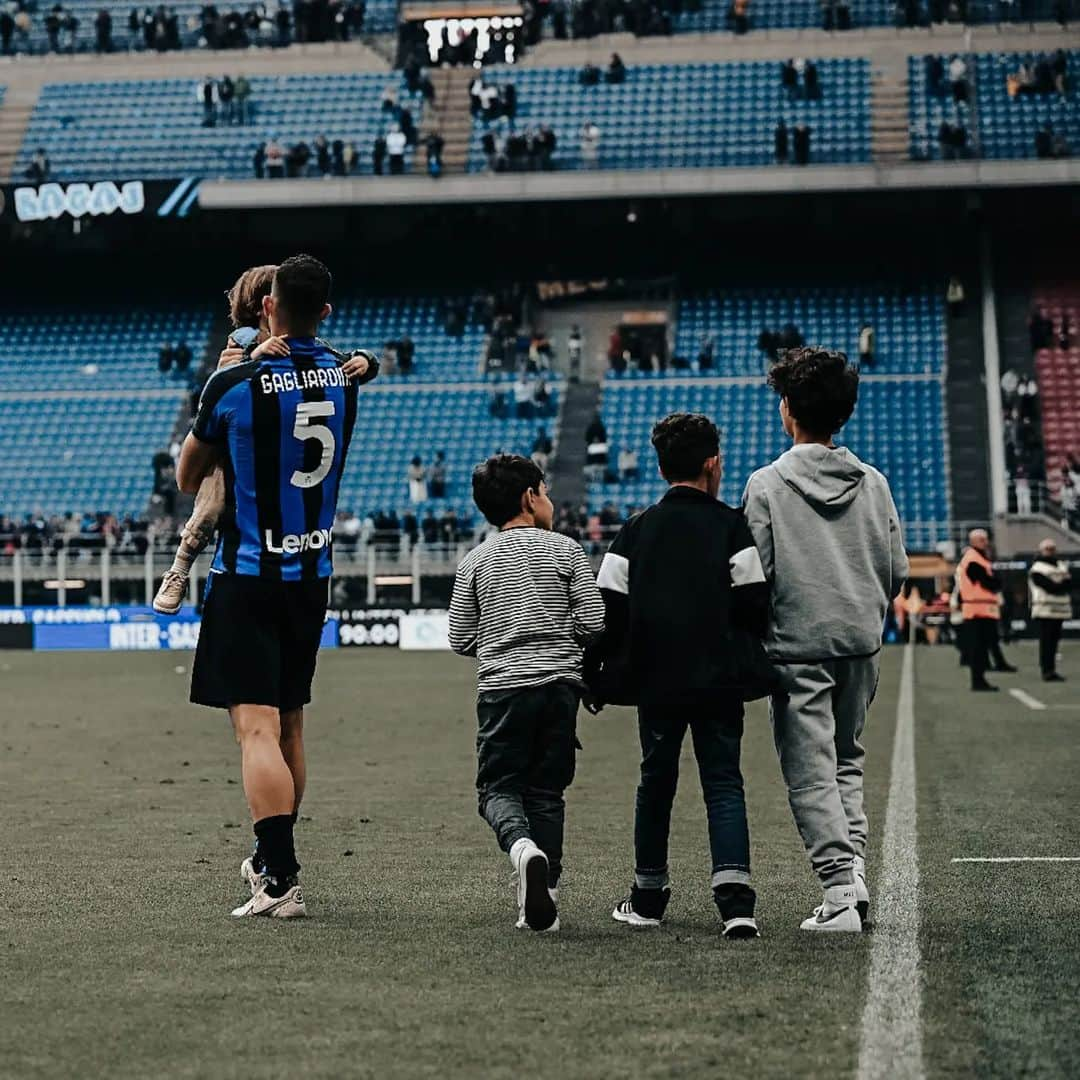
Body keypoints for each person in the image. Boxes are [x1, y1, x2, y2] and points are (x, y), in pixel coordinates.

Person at [177, 255, 363, 919]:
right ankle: (269, 861)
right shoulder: (345, 380)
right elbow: (349, 360)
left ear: (266, 308)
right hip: (311, 578)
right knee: (290, 728)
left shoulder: (235, 383)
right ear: (327, 312)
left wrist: (235, 367)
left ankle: (280, 879)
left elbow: (187, 474)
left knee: (255, 731)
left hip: (249, 575)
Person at [585, 413, 773, 938]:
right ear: (712, 463)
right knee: (724, 783)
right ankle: (736, 905)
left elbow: (607, 611)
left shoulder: (635, 530)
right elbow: (755, 602)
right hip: (718, 679)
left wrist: (599, 674)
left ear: (662, 466)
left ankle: (647, 897)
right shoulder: (731, 525)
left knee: (656, 781)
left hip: (657, 681)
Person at [742, 347, 909, 932]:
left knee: (811, 772)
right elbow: (896, 570)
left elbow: (755, 575)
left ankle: (839, 890)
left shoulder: (766, 486)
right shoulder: (875, 483)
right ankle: (853, 873)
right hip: (860, 642)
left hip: (796, 646)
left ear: (788, 408)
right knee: (847, 762)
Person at [154, 264, 377, 614]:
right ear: (264, 306)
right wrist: (251, 357)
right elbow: (234, 376)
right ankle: (180, 566)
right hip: (235, 448)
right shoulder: (243, 341)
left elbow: (339, 360)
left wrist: (367, 360)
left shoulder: (311, 351)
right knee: (213, 492)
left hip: (274, 463)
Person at [448, 455, 605, 933]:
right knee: (547, 791)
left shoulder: (475, 560)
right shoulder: (568, 551)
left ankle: (521, 849)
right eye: (546, 491)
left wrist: (496, 644)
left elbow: (458, 636)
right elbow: (596, 621)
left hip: (503, 691)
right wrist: (564, 638)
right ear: (529, 498)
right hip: (560, 689)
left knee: (497, 789)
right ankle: (545, 896)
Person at [956, 528, 1016, 692]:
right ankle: (978, 681)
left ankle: (981, 679)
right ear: (973, 541)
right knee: (979, 647)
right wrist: (996, 581)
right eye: (982, 540)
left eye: (986, 539)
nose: (986, 542)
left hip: (982, 609)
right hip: (977, 610)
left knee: (983, 646)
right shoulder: (973, 559)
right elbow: (989, 582)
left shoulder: (978, 558)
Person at [1029, 539, 1072, 682]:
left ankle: (1051, 670)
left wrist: (1062, 584)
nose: (1050, 551)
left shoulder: (1061, 565)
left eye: (1052, 548)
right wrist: (1063, 583)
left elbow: (1071, 584)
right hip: (1045, 609)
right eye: (1047, 548)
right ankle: (1046, 670)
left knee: (1054, 642)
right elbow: (1050, 587)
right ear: (1041, 551)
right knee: (1047, 642)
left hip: (1060, 610)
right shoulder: (1037, 568)